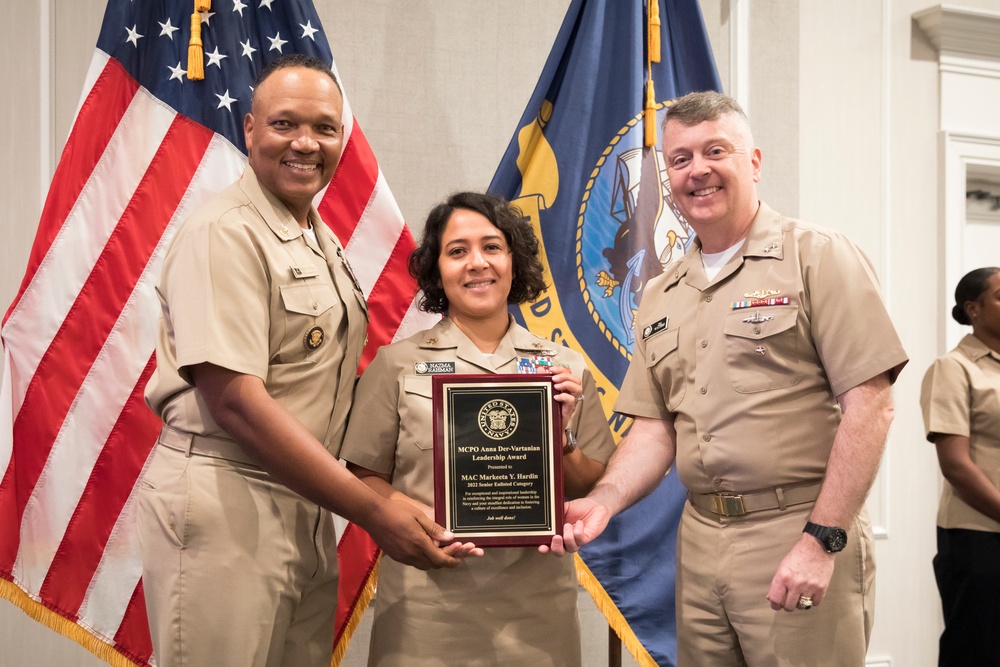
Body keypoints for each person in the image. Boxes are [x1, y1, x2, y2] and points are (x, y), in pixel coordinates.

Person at [548, 91, 909, 666]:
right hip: (700, 541)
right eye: (681, 158)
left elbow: (872, 405)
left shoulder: (816, 256)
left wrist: (822, 540)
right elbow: (654, 430)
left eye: (716, 150)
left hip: (797, 528)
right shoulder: (662, 293)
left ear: (755, 161)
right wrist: (605, 501)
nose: (699, 170)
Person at [137, 54, 463, 667]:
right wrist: (373, 511)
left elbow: (322, 380)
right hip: (230, 496)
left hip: (306, 501)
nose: (306, 143)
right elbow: (236, 400)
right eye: (285, 124)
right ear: (250, 130)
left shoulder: (315, 235)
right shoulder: (227, 233)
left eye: (325, 128)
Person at [340, 191, 616, 666]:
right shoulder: (396, 366)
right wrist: (423, 522)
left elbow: (591, 485)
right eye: (457, 251)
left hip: (537, 612)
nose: (477, 263)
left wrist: (561, 436)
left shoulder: (564, 367)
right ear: (437, 270)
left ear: (514, 261)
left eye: (492, 247)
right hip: (428, 605)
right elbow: (364, 479)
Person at [920, 267, 1000, 667]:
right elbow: (956, 466)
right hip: (980, 537)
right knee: (978, 650)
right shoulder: (954, 369)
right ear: (974, 309)